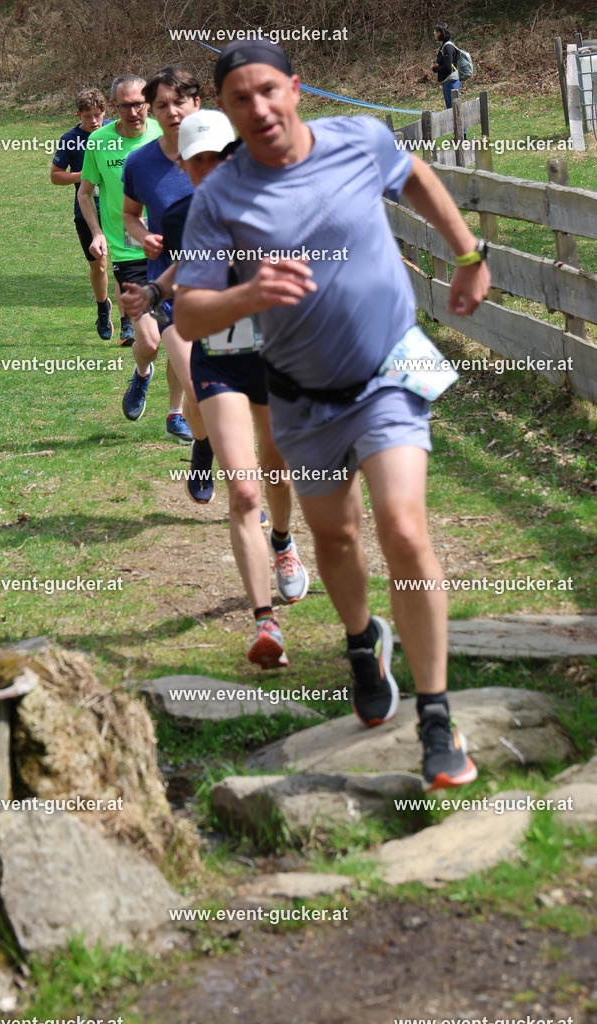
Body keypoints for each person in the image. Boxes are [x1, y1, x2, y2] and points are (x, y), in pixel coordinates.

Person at [173, 39, 491, 791]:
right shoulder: (221, 198)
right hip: (301, 396)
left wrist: (468, 253)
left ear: (294, 89)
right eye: (239, 99)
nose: (257, 109)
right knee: (335, 537)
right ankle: (360, 641)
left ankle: (436, 717)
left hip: (389, 371)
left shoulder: (359, 141)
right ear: (225, 109)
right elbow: (187, 312)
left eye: (267, 91)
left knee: (404, 529)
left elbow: (413, 174)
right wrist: (247, 296)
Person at [123, 109, 309, 668]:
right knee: (245, 489)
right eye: (195, 160)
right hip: (218, 358)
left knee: (275, 473)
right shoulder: (181, 214)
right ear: (185, 162)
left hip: (273, 356)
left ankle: (282, 540)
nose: (206, 169)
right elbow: (184, 266)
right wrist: (153, 295)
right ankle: (264, 623)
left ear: (235, 154)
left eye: (216, 157)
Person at [78, 74, 191, 443]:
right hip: (129, 254)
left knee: (176, 336)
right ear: (113, 107)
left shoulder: (168, 133)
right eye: (125, 105)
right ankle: (142, 374)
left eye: (140, 102)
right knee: (151, 342)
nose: (134, 111)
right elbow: (85, 193)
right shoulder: (98, 141)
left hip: (172, 255)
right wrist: (97, 233)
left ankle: (175, 414)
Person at [121, 67, 215, 498]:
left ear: (197, 102)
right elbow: (128, 214)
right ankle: (204, 443)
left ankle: (215, 457)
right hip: (172, 291)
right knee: (198, 389)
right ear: (151, 111)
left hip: (231, 291)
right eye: (162, 104)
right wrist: (146, 237)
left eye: (181, 101)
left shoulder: (226, 151)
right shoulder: (141, 162)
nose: (172, 111)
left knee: (227, 399)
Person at [50, 89, 131, 343]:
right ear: (78, 115)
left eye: (98, 115)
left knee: (122, 265)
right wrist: (86, 175)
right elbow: (55, 175)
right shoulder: (71, 139)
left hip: (118, 209)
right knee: (100, 265)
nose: (94, 121)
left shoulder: (116, 133)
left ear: (106, 111)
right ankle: (102, 308)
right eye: (88, 116)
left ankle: (127, 323)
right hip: (87, 212)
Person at [432, 23, 460, 111]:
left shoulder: (448, 46)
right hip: (447, 82)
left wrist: (435, 69)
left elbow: (448, 67)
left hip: (450, 82)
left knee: (452, 110)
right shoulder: (444, 46)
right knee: (450, 109)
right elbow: (446, 63)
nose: (434, 33)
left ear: (439, 33)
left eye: (435, 31)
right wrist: (438, 65)